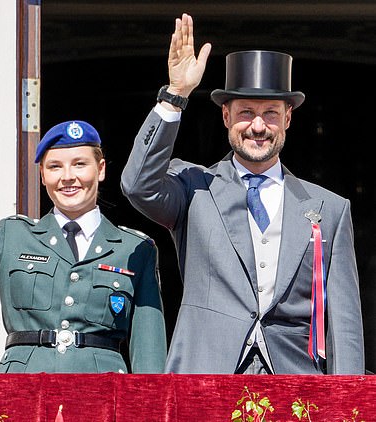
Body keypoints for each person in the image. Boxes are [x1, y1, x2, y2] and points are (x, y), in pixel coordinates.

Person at [121, 14, 364, 374]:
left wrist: (347, 404)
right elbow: (137, 184)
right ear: (225, 116)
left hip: (295, 383)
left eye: (270, 113)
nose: (258, 126)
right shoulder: (193, 186)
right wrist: (175, 97)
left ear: (288, 119)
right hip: (206, 376)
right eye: (246, 113)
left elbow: (344, 322)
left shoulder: (329, 208)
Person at [0, 117, 166, 373]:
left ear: (100, 169)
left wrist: (146, 409)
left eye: (80, 164)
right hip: (23, 391)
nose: (68, 177)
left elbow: (149, 354)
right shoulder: (14, 236)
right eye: (55, 167)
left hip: (100, 394)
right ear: (43, 175)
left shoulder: (134, 248)